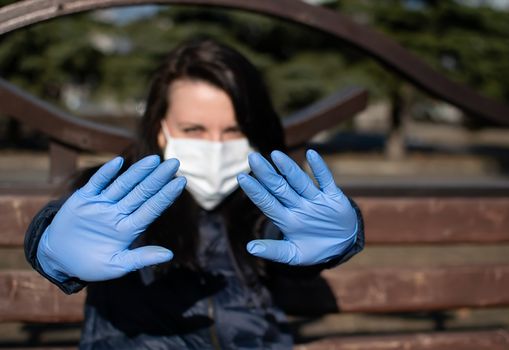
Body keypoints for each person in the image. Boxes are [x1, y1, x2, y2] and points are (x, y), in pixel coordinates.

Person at [24, 39, 364, 349]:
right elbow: (64, 226)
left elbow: (290, 244)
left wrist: (339, 237)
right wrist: (53, 249)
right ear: (161, 128)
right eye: (194, 130)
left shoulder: (257, 199)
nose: (215, 146)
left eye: (233, 130)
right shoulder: (117, 195)